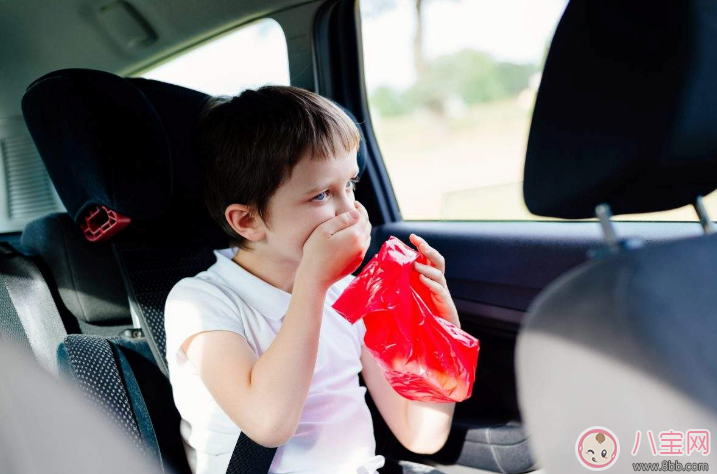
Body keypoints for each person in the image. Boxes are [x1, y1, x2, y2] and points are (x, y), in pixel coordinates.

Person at [163, 85, 462, 474]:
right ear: (248, 221)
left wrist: (439, 330)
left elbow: (421, 433)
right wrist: (313, 283)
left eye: (350, 185)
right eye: (321, 195)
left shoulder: (349, 293)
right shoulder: (199, 302)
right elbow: (268, 424)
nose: (352, 211)